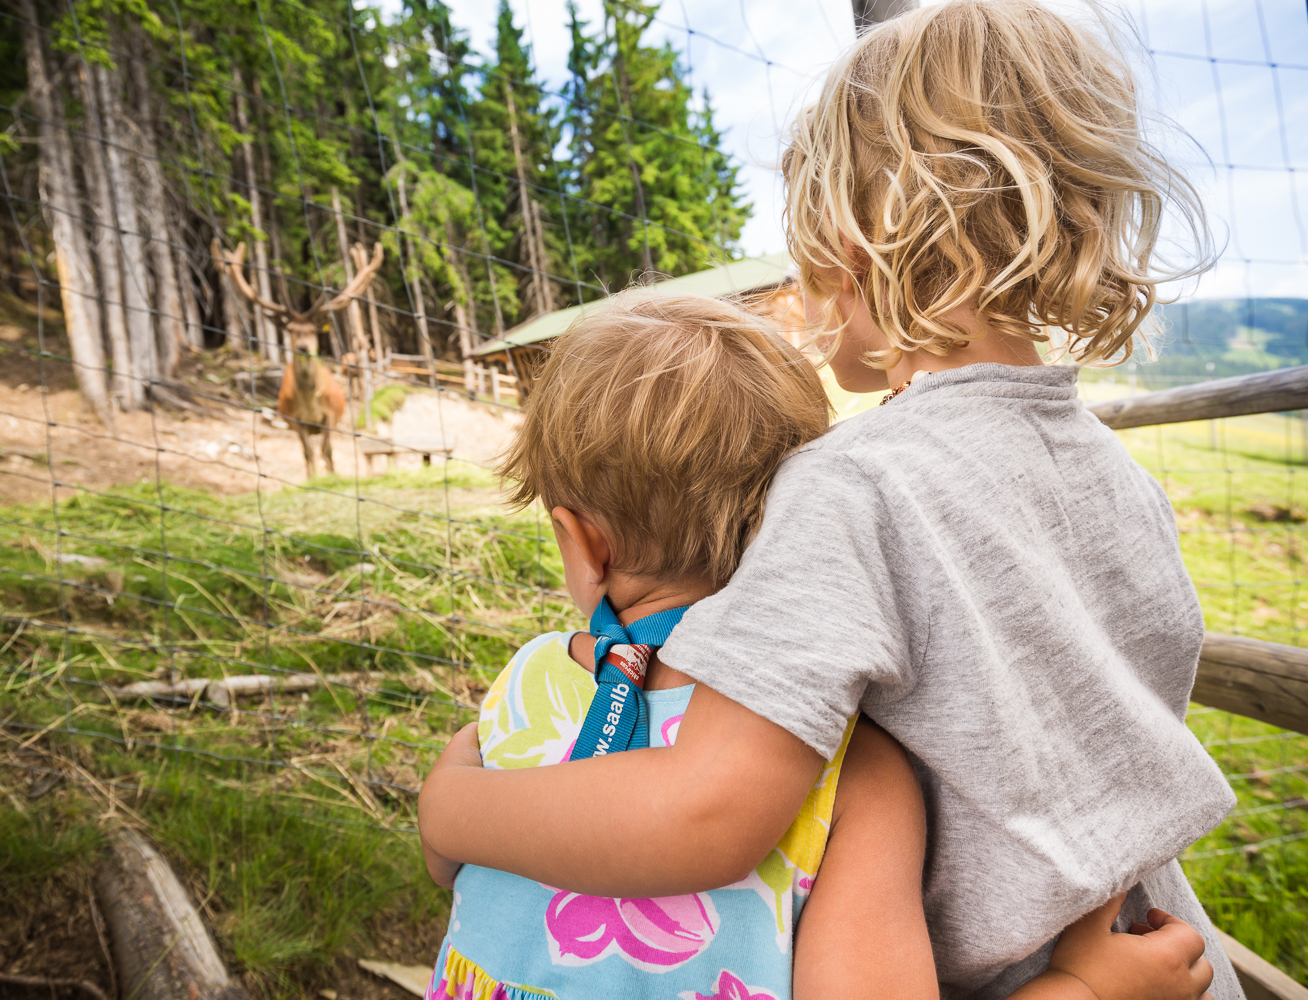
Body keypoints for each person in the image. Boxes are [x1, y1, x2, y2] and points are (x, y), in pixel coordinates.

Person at [418, 3, 1243, 998]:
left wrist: (449, 812)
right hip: (1167, 947)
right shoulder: (1124, 479)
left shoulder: (851, 484)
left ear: (852, 240)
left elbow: (705, 813)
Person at [421, 291, 1216, 1000]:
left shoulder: (517, 699)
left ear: (580, 542)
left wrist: (443, 806)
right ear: (796, 522)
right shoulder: (851, 772)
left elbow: (450, 871)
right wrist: (1085, 988)